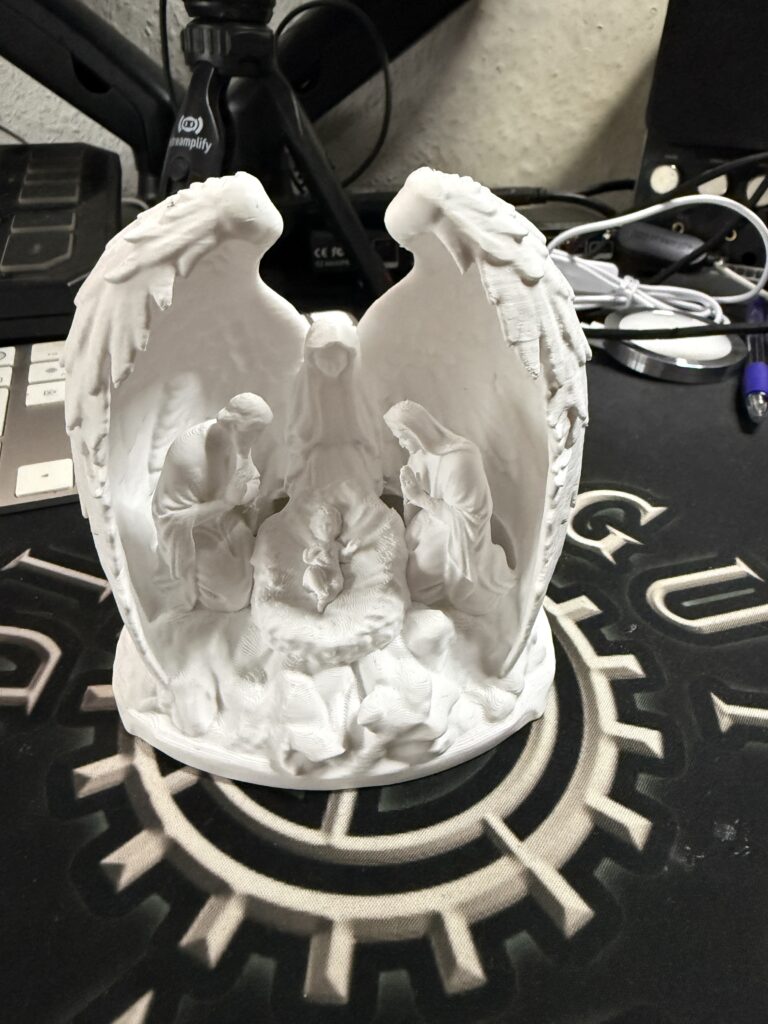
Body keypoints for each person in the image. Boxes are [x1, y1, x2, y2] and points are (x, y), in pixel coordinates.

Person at [384, 399, 514, 615]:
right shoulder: (417, 457)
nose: (401, 444)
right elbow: (417, 503)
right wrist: (409, 495)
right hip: (431, 518)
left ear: (417, 432)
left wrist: (419, 497)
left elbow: (469, 517)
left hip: (456, 532)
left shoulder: (461, 460)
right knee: (402, 554)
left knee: (414, 581)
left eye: (402, 437)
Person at [152, 392, 273, 612]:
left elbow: (251, 479)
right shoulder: (188, 455)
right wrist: (226, 502)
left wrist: (241, 494)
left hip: (224, 517)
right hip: (193, 532)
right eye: (253, 433)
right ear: (234, 425)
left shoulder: (238, 444)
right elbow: (171, 518)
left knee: (262, 562)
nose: (255, 440)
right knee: (234, 594)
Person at [285, 319, 382, 495]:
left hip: (350, 449)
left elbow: (365, 421)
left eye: (337, 361)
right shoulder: (306, 388)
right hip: (317, 450)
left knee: (356, 480)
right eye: (325, 360)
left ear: (349, 359)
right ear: (313, 359)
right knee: (317, 481)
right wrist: (304, 444)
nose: (331, 367)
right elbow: (297, 422)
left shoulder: (355, 389)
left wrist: (366, 442)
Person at [301, 504, 356, 613]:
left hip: (333, 572)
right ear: (314, 528)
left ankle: (325, 598)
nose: (325, 528)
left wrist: (349, 550)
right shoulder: (316, 544)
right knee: (310, 572)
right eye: (321, 526)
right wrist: (315, 550)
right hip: (318, 570)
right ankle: (320, 592)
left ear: (337, 528)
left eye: (329, 525)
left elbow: (344, 558)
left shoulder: (336, 545)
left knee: (338, 583)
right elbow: (307, 558)